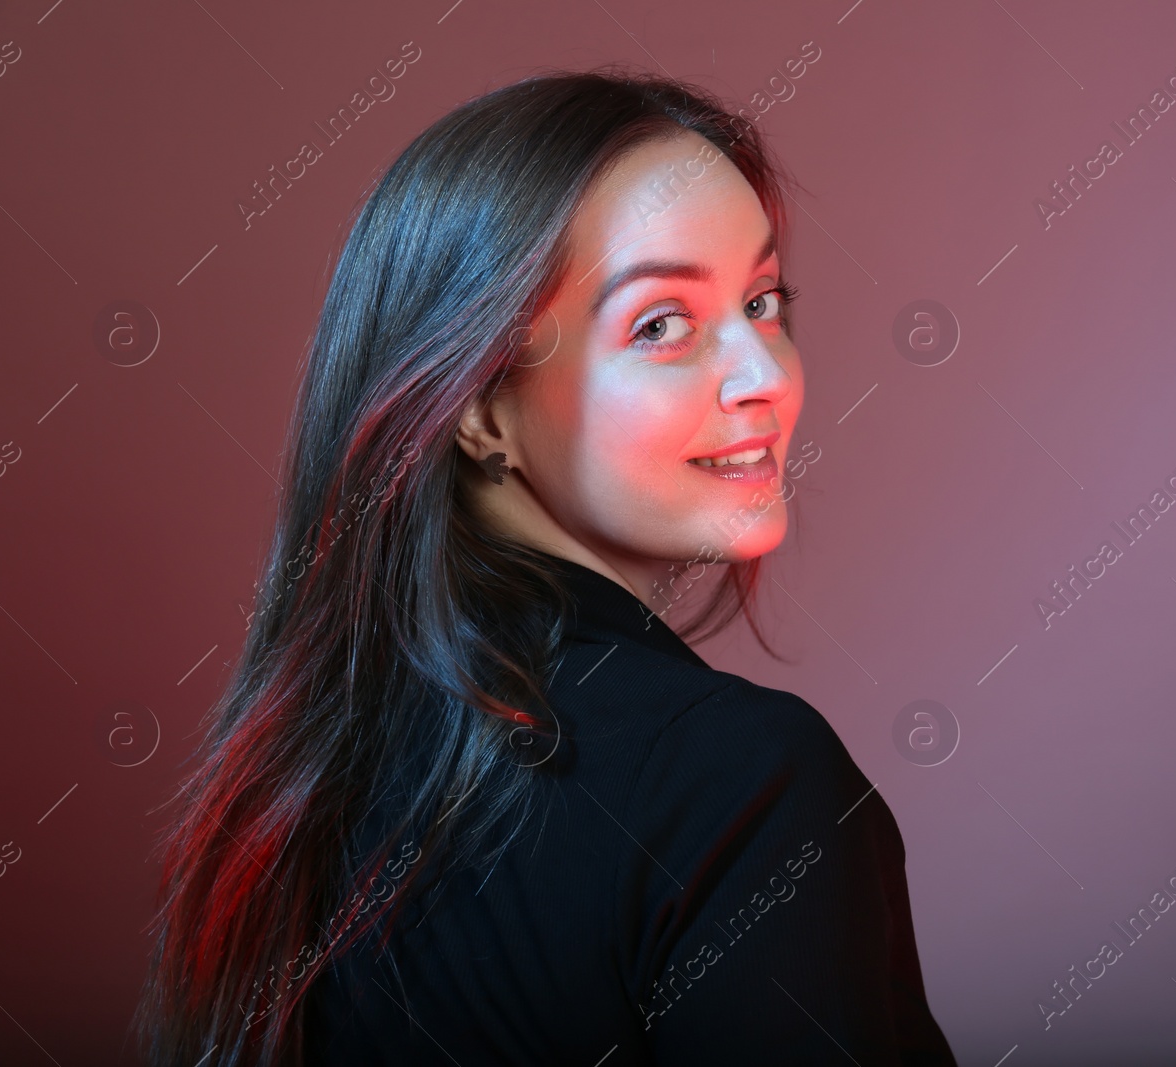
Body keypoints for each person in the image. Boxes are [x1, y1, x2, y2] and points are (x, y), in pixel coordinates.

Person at [134, 70, 957, 1067]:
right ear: (480, 407)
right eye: (663, 324)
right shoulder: (738, 781)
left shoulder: (304, 787)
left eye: (762, 300)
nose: (762, 374)